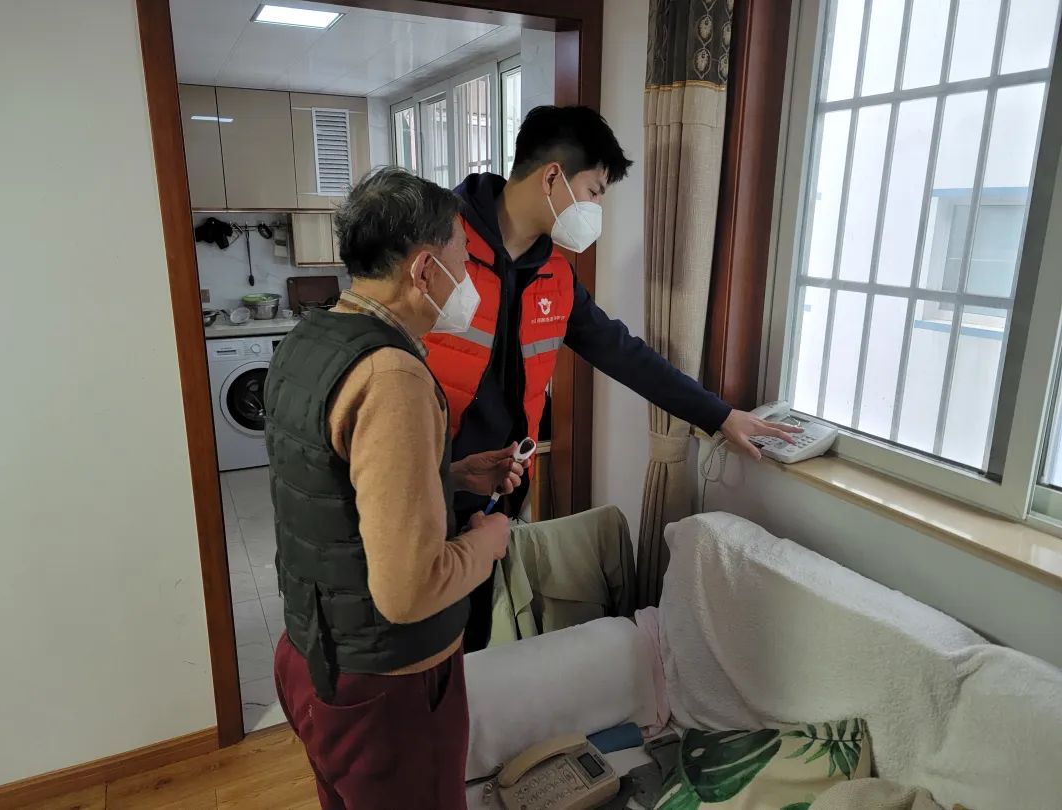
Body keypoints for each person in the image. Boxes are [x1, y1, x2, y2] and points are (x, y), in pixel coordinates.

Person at [423, 105, 800, 652]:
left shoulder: (553, 274)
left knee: (472, 646)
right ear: (552, 177)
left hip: (494, 492)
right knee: (417, 643)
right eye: (595, 192)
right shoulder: (437, 244)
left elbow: (622, 352)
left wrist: (718, 415)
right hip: (425, 484)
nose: (596, 209)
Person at [266, 168, 517, 809]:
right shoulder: (392, 376)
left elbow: (334, 482)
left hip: (311, 654)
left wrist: (449, 474)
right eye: (465, 261)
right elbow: (410, 590)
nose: (470, 280)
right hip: (386, 686)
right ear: (424, 270)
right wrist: (489, 541)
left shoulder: (311, 339)